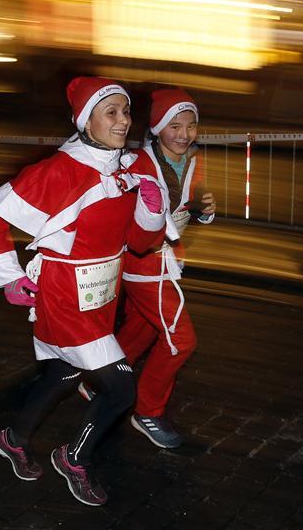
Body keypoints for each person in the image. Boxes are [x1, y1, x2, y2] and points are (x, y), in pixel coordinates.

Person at [0, 77, 165, 506]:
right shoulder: (59, 170)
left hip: (101, 293)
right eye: (111, 112)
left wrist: (152, 210)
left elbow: (137, 242)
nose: (123, 121)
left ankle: (13, 438)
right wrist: (9, 276)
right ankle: (75, 458)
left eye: (126, 111)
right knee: (120, 388)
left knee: (62, 374)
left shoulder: (130, 167)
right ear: (86, 120)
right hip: (64, 293)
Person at [80, 87, 215, 449]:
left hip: (170, 259)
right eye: (175, 125)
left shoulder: (194, 161)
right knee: (180, 340)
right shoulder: (136, 161)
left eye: (191, 125)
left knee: (142, 329)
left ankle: (96, 382)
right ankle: (147, 410)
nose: (184, 133)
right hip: (144, 263)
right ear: (157, 128)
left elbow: (193, 205)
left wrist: (205, 209)